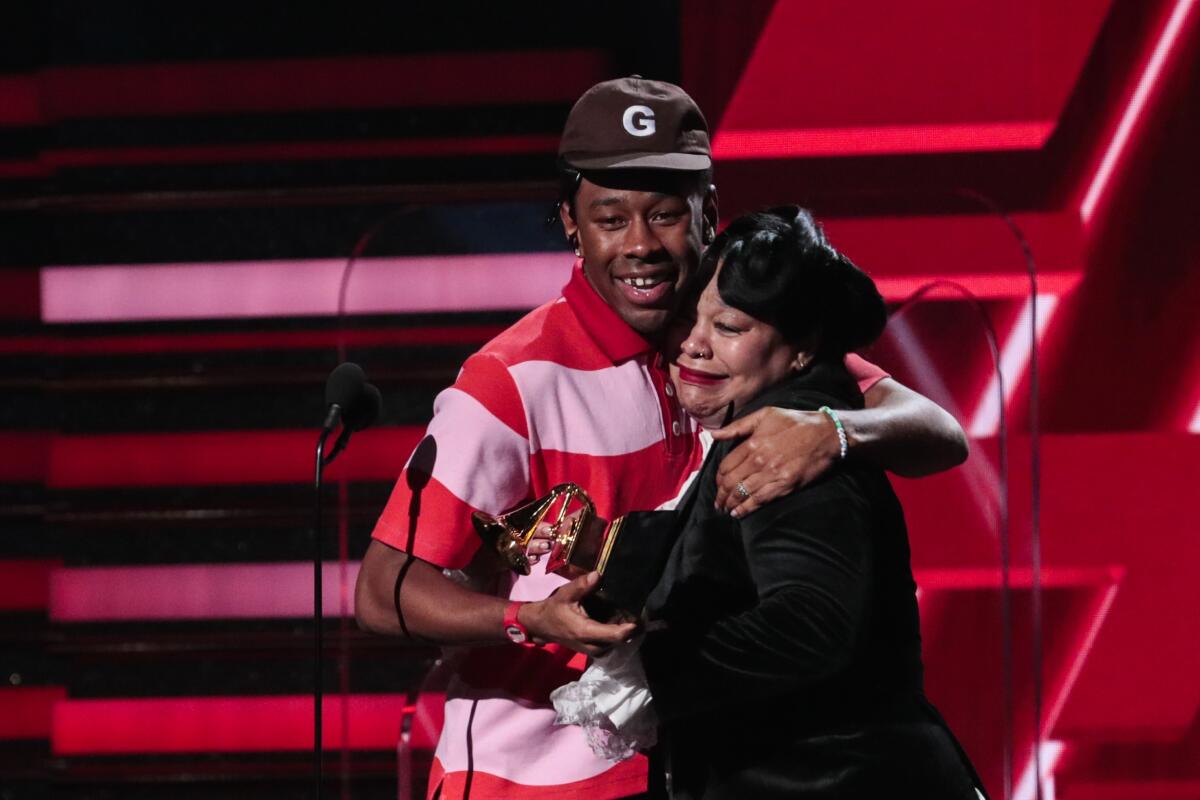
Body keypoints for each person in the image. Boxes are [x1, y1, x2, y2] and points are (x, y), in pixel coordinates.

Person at [355, 78, 968, 800]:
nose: (641, 244)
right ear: (568, 224)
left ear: (709, 213)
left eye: (667, 215)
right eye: (611, 219)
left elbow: (938, 432)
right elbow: (381, 590)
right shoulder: (510, 383)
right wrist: (527, 620)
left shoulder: (735, 336)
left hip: (694, 772)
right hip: (531, 780)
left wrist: (835, 430)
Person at [625, 206, 985, 798]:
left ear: (800, 349)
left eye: (730, 328)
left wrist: (646, 668)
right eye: (689, 318)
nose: (693, 344)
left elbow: (811, 623)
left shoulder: (785, 444)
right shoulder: (768, 410)